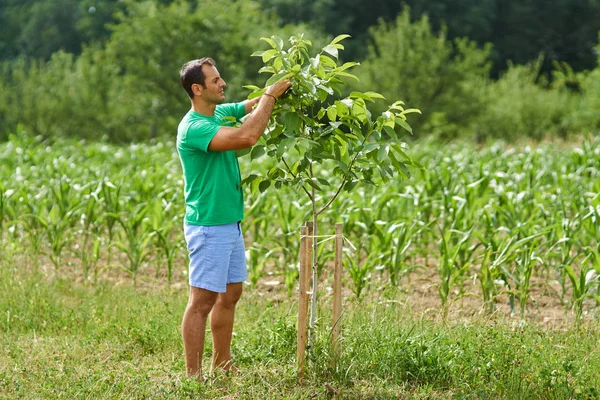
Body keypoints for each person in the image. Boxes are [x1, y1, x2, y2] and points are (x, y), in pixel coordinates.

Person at [177, 57, 291, 380]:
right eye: (215, 81)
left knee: (230, 295)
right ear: (197, 89)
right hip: (208, 226)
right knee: (202, 301)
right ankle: (193, 377)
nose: (223, 83)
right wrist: (269, 97)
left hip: (229, 222)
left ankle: (222, 364)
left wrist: (278, 90)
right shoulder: (195, 128)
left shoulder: (218, 113)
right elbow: (246, 137)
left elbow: (249, 106)